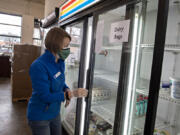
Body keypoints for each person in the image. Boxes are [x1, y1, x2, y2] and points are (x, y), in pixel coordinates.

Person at [27, 27, 88, 135]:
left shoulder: (60, 62)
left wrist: (67, 89)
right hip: (40, 116)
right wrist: (71, 94)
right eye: (65, 46)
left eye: (68, 46)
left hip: (55, 113)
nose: (67, 49)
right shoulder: (39, 66)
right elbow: (45, 96)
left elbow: (59, 81)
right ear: (54, 45)